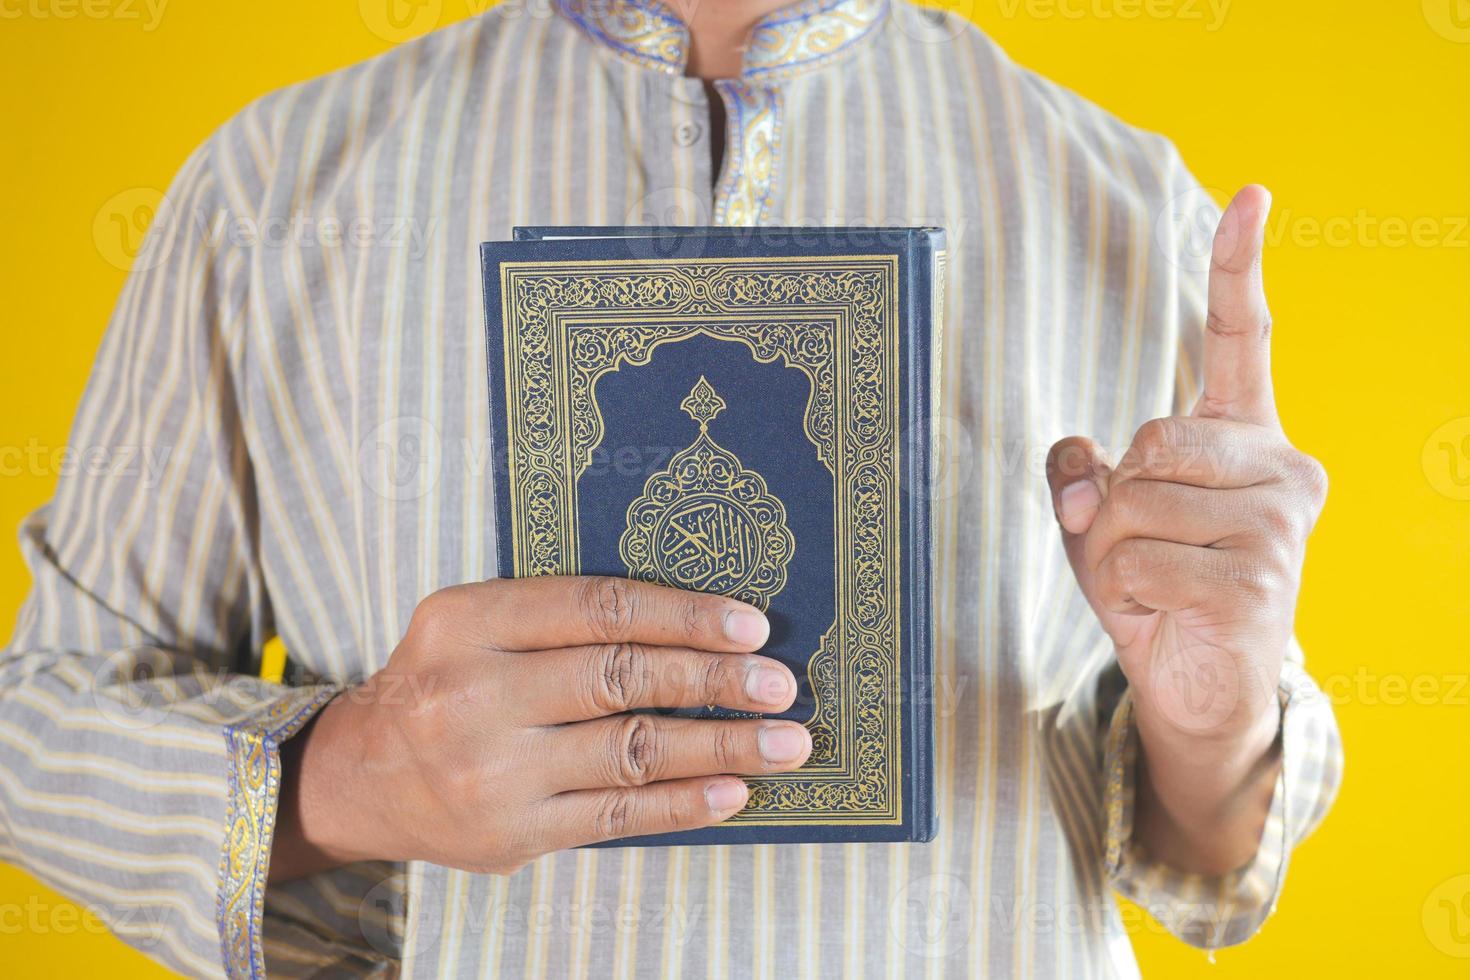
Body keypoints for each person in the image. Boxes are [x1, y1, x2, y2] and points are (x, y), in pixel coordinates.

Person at [0, 1, 1342, 976]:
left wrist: (1208, 711)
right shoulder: (277, 188)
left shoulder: (1123, 202)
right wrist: (349, 772)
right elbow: (35, 738)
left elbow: (1201, 844)